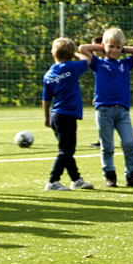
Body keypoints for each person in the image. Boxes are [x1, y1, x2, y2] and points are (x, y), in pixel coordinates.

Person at [79, 28, 133, 188]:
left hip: (122, 111)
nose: (115, 50)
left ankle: (132, 175)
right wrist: (102, 47)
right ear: (104, 46)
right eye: (111, 47)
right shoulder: (98, 63)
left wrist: (122, 47)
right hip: (104, 110)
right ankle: (110, 175)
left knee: (129, 143)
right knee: (107, 145)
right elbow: (83, 48)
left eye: (118, 48)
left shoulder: (125, 64)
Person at [42, 38, 94, 191]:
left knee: (66, 149)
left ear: (53, 53)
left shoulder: (49, 74)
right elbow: (88, 59)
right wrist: (76, 54)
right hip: (68, 115)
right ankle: (53, 180)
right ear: (70, 54)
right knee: (66, 150)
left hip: (55, 115)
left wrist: (46, 118)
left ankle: (76, 180)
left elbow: (46, 99)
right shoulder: (71, 67)